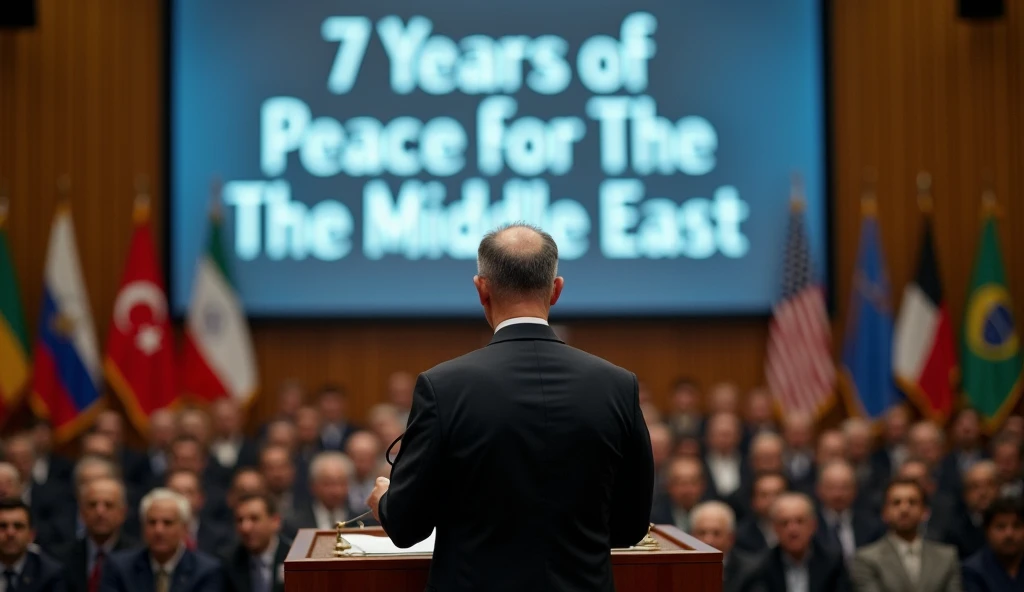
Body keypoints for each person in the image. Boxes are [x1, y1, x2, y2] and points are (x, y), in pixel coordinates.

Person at [367, 224, 654, 592]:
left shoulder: (443, 387)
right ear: (556, 290)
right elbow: (630, 527)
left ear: (481, 289)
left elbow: (407, 528)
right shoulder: (618, 385)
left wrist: (385, 502)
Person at [850, 478, 961, 592]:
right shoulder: (866, 559)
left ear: (925, 512)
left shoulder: (947, 558)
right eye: (896, 503)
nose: (904, 509)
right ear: (884, 513)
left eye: (912, 502)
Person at [100, 488, 222, 592]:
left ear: (184, 528)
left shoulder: (206, 571)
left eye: (167, 523)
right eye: (152, 522)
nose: (158, 530)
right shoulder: (119, 567)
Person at [741, 493, 851, 592]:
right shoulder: (761, 567)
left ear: (813, 525)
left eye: (800, 521)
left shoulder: (833, 563)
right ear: (775, 529)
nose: (793, 530)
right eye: (784, 523)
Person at [54, 477, 138, 592]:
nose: (100, 512)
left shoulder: (138, 559)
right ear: (81, 513)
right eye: (92, 505)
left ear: (122, 513)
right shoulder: (61, 559)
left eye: (108, 505)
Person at [220, 493, 290, 592]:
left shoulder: (293, 558)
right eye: (240, 520)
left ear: (275, 521)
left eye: (254, 519)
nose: (245, 528)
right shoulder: (228, 562)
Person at [691, 501, 757, 592]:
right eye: (702, 533)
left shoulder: (750, 572)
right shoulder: (682, 571)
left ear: (731, 538)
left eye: (716, 533)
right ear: (692, 536)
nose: (708, 540)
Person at [0, 498, 64, 592]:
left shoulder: (49, 575)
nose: (10, 533)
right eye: (2, 526)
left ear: (31, 535)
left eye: (18, 526)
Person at [962, 496, 1024, 591]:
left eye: (1017, 526)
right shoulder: (973, 571)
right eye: (1000, 527)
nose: (1009, 534)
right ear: (987, 531)